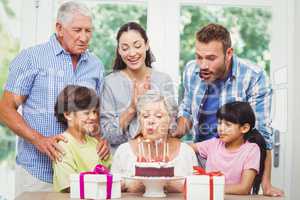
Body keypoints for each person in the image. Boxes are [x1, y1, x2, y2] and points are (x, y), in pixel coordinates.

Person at [0, 1, 109, 196]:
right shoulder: (32, 58)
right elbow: (5, 109)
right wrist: (38, 140)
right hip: (37, 174)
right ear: (59, 28)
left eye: (88, 31)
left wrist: (100, 139)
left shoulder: (95, 65)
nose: (84, 37)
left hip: (82, 177)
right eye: (77, 30)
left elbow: (94, 113)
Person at [176, 23, 283, 196]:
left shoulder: (253, 76)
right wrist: (168, 134)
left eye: (211, 58)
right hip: (201, 161)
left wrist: (266, 184)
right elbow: (187, 112)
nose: (202, 65)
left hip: (235, 166)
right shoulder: (190, 70)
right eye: (199, 57)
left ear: (228, 54)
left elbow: (262, 132)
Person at [101, 22, 177, 151]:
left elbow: (172, 128)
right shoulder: (110, 83)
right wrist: (132, 109)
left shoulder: (163, 80)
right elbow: (108, 135)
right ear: (119, 50)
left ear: (146, 45)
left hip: (156, 159)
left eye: (137, 46)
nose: (132, 53)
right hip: (121, 161)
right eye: (125, 48)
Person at [111, 90, 198, 193]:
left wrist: (173, 185)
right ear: (139, 120)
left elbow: (197, 189)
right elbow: (111, 189)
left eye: (158, 116)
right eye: (145, 116)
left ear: (171, 120)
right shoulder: (124, 151)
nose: (151, 121)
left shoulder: (186, 153)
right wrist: (127, 187)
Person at [191, 101, 267, 195]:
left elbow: (243, 188)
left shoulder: (251, 149)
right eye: (219, 123)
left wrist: (208, 187)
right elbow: (186, 147)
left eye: (227, 124)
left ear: (244, 128)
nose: (221, 128)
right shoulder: (213, 144)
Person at [53, 85, 111, 192]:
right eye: (86, 113)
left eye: (94, 112)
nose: (93, 117)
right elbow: (69, 187)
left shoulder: (95, 143)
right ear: (68, 114)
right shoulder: (62, 146)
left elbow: (110, 173)